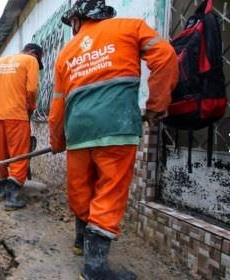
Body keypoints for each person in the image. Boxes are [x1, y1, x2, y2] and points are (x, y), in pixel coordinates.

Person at [48, 1, 178, 279]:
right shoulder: (130, 27)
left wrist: (57, 141)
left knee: (81, 190)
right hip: (116, 127)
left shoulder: (65, 54)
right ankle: (95, 269)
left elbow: (57, 106)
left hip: (79, 133)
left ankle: (81, 242)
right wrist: (157, 103)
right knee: (109, 191)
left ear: (77, 20)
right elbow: (165, 56)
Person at [0, 43, 44, 211]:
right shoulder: (31, 60)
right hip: (17, 116)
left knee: (0, 155)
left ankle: (0, 189)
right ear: (34, 53)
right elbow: (31, 89)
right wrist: (31, 107)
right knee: (20, 155)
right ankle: (12, 198)